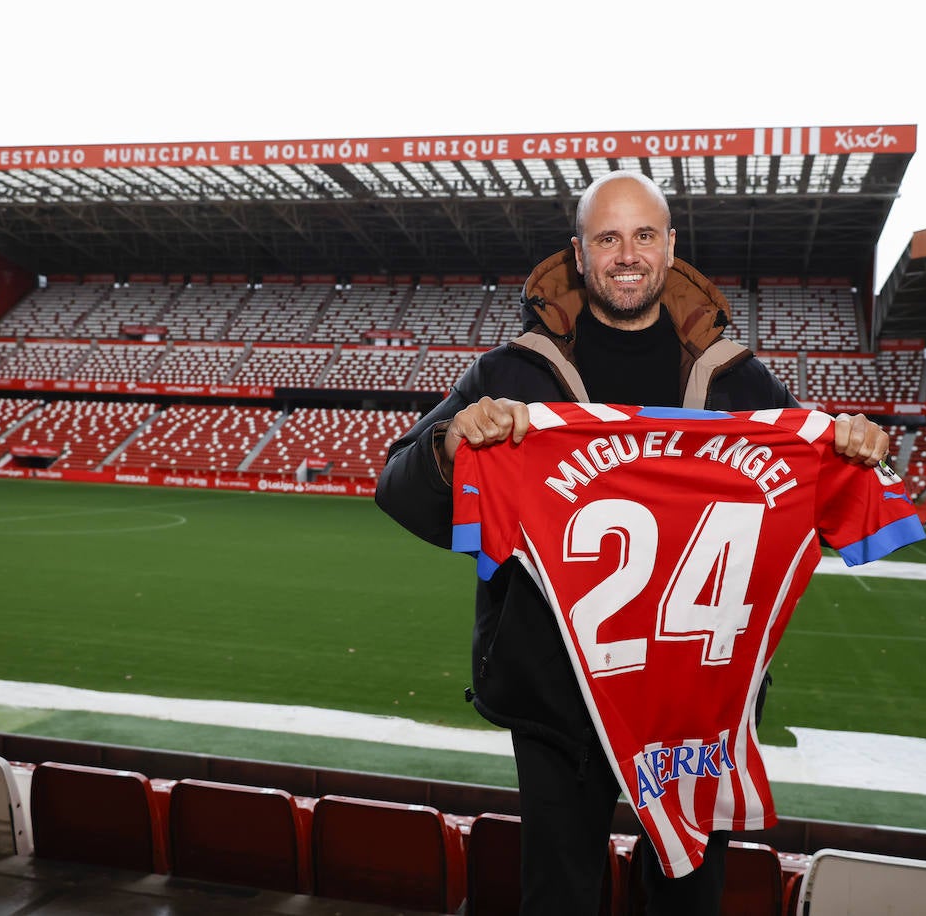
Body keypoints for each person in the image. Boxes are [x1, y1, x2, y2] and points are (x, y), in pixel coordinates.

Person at [376, 170, 890, 914]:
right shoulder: (512, 373)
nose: (627, 254)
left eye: (644, 235)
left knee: (686, 901)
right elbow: (398, 490)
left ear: (671, 247)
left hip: (698, 708)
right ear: (579, 254)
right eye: (608, 237)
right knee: (559, 897)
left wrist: (850, 449)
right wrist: (451, 446)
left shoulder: (739, 384)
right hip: (559, 701)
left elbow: (823, 502)